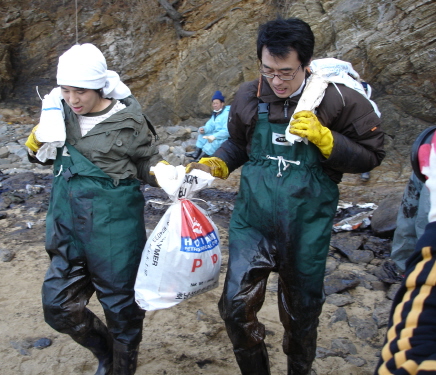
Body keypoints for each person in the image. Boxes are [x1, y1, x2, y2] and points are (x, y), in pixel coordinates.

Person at [186, 17, 385, 374]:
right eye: (268, 71)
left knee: (302, 315)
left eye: (286, 73)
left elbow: (372, 154)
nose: (276, 81)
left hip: (306, 228)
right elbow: (237, 144)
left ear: (306, 65)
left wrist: (328, 140)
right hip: (254, 223)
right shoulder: (250, 94)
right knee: (234, 308)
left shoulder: (338, 100)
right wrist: (216, 164)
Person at [25, 43, 161, 375]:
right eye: (66, 90)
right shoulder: (59, 112)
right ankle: (107, 356)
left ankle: (121, 367)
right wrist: (35, 144)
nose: (73, 99)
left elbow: (147, 161)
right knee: (57, 306)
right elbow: (42, 152)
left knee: (122, 310)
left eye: (81, 91)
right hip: (67, 228)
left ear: (99, 86)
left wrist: (166, 174)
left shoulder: (128, 118)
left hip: (114, 231)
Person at [375, 129, 436, 374]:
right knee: (410, 214)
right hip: (426, 154)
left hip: (427, 155)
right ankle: (401, 264)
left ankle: (405, 266)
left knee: (421, 219)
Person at [390, 171, 430, 272]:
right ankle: (402, 267)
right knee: (407, 221)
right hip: (423, 163)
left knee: (426, 223)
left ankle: (426, 271)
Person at [185, 90, 230, 161]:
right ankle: (196, 153)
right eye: (213, 103)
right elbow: (210, 125)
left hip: (223, 137)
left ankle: (200, 159)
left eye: (217, 103)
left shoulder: (227, 114)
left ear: (222, 103)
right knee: (203, 134)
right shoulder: (216, 113)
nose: (214, 105)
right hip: (215, 134)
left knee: (212, 143)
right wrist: (204, 129)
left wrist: (214, 136)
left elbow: (227, 131)